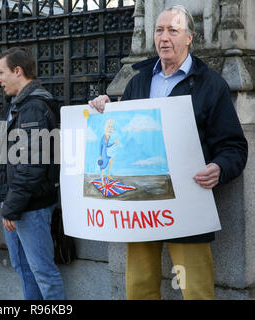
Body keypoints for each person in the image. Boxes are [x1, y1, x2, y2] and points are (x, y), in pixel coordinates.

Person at [89, 5, 248, 300]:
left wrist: (220, 167)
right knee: (139, 289)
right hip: (140, 206)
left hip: (188, 207)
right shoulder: (138, 82)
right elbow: (122, 137)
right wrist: (103, 110)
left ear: (189, 37)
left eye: (173, 30)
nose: (164, 37)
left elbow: (234, 146)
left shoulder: (210, 84)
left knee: (195, 291)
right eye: (159, 30)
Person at [0, 47, 66, 300]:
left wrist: (12, 206)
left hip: (28, 206)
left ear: (18, 71)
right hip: (18, 203)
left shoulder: (33, 107)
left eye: (1, 73)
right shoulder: (20, 104)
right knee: (24, 268)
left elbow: (32, 165)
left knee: (43, 272)